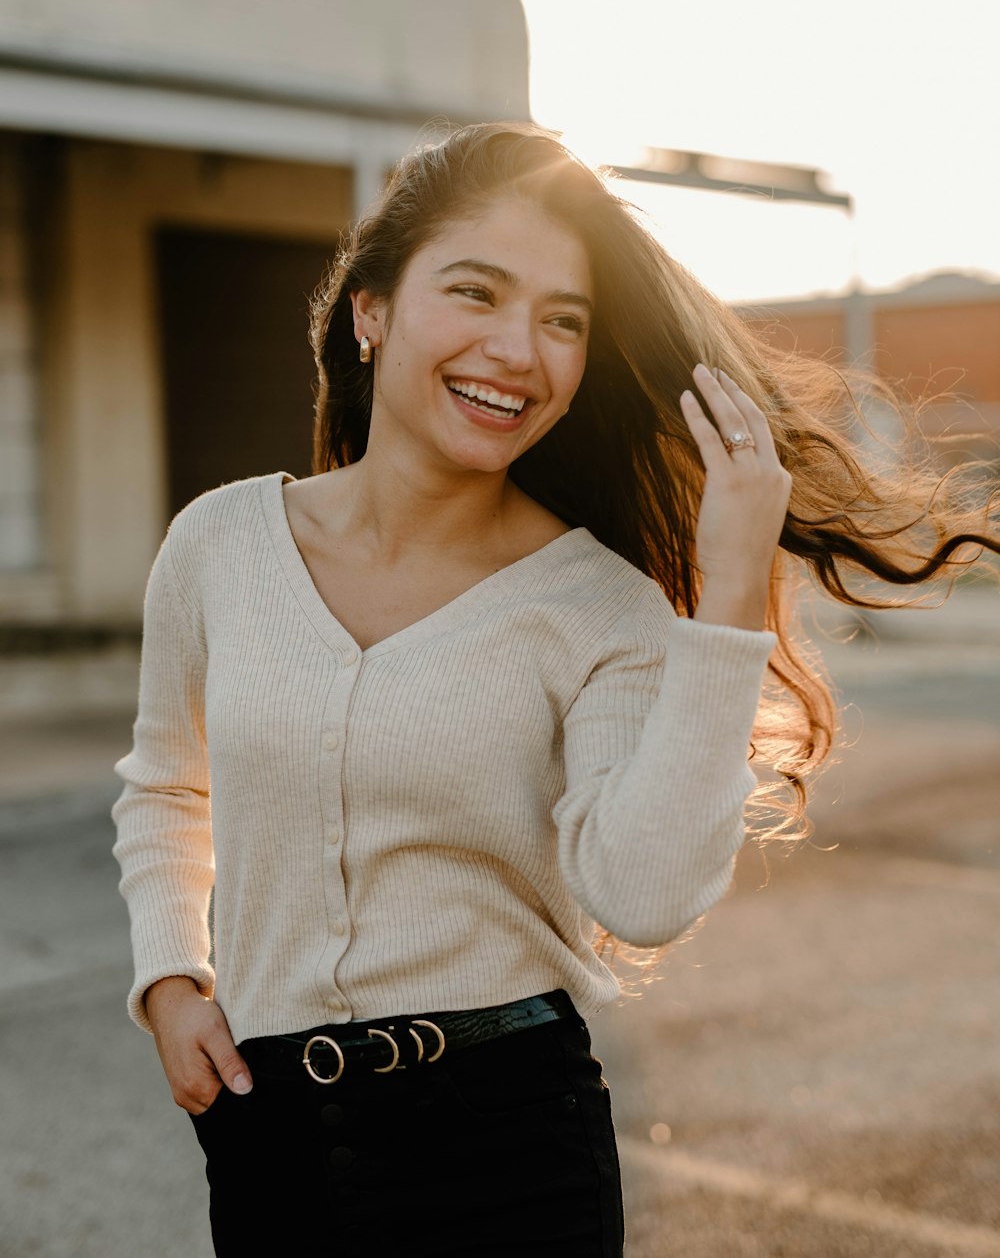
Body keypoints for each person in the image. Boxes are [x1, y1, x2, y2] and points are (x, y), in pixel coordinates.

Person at [111, 122, 998, 1258]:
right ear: (369, 311)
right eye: (474, 292)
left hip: (505, 1147)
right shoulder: (217, 544)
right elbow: (167, 789)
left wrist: (727, 594)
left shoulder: (599, 603)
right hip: (265, 1140)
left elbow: (644, 894)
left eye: (562, 320)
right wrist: (170, 980)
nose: (518, 350)